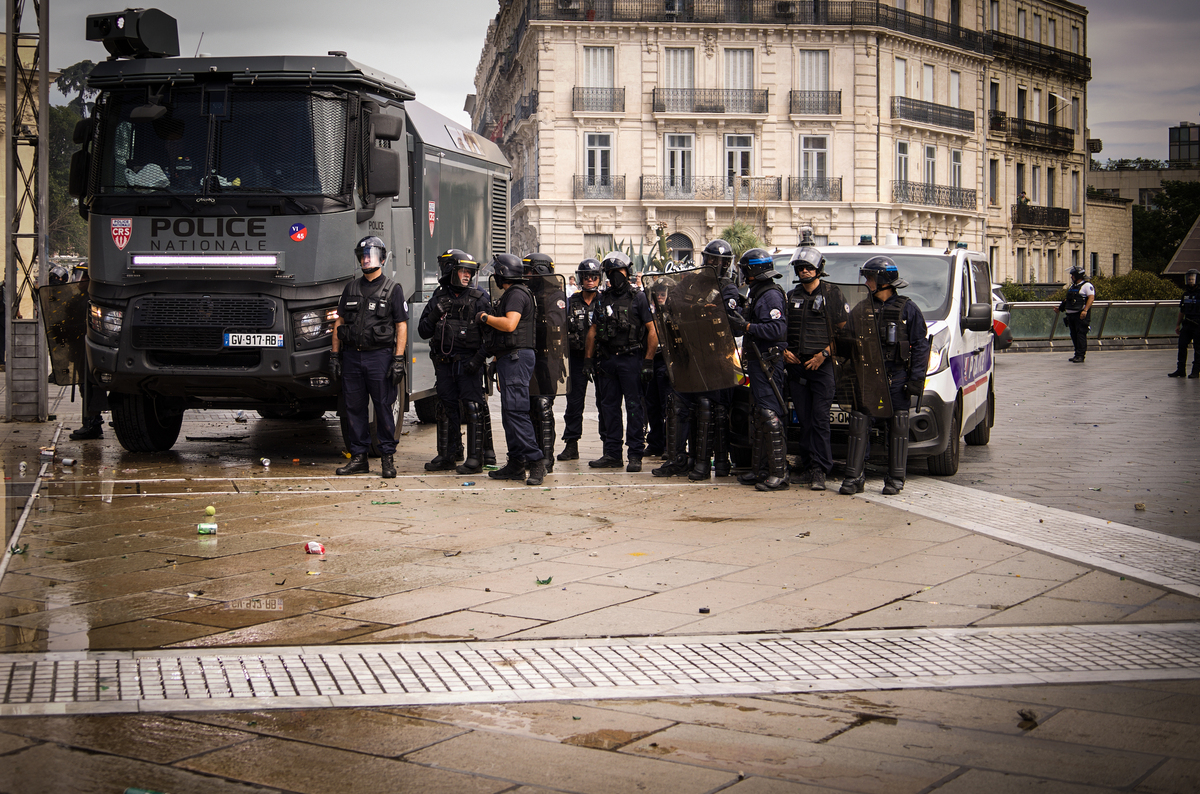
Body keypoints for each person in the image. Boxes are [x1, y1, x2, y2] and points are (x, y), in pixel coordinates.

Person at [839, 256, 930, 496]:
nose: (866, 283)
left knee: (898, 427)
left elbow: (921, 346)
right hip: (868, 379)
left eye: (870, 278)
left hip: (896, 378)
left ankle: (895, 479)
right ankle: (854, 477)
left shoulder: (908, 308)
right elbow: (847, 340)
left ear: (883, 281)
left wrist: (916, 380)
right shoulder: (862, 307)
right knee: (859, 424)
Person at [652, 238, 740, 481]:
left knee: (707, 408)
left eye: (721, 261)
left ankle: (703, 461)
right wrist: (700, 309)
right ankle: (677, 458)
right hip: (687, 354)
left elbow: (725, 317)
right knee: (677, 404)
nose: (716, 264)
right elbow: (672, 303)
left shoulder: (729, 289)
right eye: (712, 259)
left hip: (713, 357)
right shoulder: (691, 281)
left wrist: (693, 311)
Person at [330, 236, 408, 479]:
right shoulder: (351, 288)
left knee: (384, 408)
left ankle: (387, 459)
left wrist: (397, 359)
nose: (366, 259)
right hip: (352, 357)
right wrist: (334, 356)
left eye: (371, 255)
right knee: (354, 409)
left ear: (382, 259)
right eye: (363, 255)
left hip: (380, 358)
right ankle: (359, 458)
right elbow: (339, 322)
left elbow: (401, 326)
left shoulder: (393, 289)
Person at [417, 248, 493, 474]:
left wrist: (478, 360)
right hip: (444, 363)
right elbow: (423, 331)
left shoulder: (480, 298)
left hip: (469, 362)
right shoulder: (438, 297)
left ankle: (475, 458)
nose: (467, 276)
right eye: (463, 271)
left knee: (472, 407)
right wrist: (434, 313)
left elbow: (492, 336)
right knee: (445, 407)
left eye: (470, 272)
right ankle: (448, 454)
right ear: (450, 271)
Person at [784, 233, 849, 491]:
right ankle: (808, 465)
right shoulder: (791, 296)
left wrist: (823, 355)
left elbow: (844, 334)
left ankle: (821, 469)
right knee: (804, 419)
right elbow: (782, 329)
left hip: (822, 368)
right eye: (800, 268)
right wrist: (785, 352)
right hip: (797, 367)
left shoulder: (833, 294)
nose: (803, 271)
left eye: (808, 267)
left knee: (821, 419)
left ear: (818, 269)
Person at [584, 251, 658, 472]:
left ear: (627, 272)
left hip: (631, 359)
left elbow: (652, 331)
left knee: (634, 408)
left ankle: (635, 454)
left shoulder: (639, 297)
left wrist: (648, 361)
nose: (615, 276)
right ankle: (612, 453)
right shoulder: (602, 298)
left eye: (619, 272)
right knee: (609, 409)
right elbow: (593, 331)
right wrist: (588, 360)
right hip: (608, 360)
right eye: (611, 272)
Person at [478, 253, 547, 486]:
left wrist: (485, 317)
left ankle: (536, 461)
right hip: (510, 357)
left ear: (503, 273)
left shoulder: (516, 294)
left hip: (517, 358)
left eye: (497, 272)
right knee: (509, 413)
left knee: (517, 412)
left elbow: (509, 324)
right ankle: (516, 464)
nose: (495, 277)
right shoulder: (513, 293)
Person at [727, 248, 790, 492]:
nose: (742, 274)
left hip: (769, 362)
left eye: (745, 269)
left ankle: (779, 473)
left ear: (754, 270)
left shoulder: (771, 295)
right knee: (758, 415)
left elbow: (777, 330)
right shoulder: (757, 293)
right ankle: (761, 469)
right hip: (756, 360)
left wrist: (748, 326)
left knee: (769, 415)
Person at [522, 252, 568, 469]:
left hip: (548, 357)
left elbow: (554, 323)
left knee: (543, 406)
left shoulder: (555, 295)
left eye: (529, 271)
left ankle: (547, 456)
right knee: (529, 406)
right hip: (530, 357)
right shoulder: (526, 293)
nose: (526, 275)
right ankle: (533, 454)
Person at [558, 258, 605, 462]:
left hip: (601, 358)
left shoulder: (606, 301)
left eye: (594, 277)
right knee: (574, 403)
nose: (590, 280)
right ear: (580, 279)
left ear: (599, 279)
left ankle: (609, 447)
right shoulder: (571, 302)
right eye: (586, 277)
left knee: (606, 403)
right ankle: (571, 444)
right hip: (577, 359)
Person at [1055, 265, 1094, 363]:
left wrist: (1085, 311)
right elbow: (1067, 300)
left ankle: (1081, 355)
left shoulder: (1087, 286)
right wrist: (1060, 308)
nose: (1071, 277)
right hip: (1071, 315)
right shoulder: (1073, 286)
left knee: (1081, 335)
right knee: (1074, 335)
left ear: (1078, 275)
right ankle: (1077, 354)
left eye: (1073, 275)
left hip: (1080, 315)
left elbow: (1091, 298)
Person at [1170, 269, 1200, 378]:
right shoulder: (1185, 294)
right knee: (1182, 345)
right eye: (1189, 279)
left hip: (1198, 325)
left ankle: (1196, 371)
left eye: (1192, 279)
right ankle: (1181, 370)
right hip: (1187, 323)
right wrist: (1178, 324)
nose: (1190, 281)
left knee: (1198, 348)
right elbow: (1182, 310)